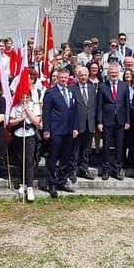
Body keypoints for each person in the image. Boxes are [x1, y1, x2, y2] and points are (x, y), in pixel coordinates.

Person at [43, 69, 79, 198]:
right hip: (56, 130)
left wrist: (75, 127)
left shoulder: (71, 91)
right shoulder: (50, 93)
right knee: (53, 157)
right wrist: (46, 129)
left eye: (66, 77)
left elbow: (74, 111)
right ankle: (52, 183)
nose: (63, 80)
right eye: (61, 77)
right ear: (57, 78)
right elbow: (46, 112)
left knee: (66, 158)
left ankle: (62, 181)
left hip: (69, 131)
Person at [97, 63, 129, 181]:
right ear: (108, 74)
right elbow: (99, 105)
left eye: (115, 73)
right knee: (106, 146)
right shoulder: (102, 86)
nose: (114, 75)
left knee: (120, 147)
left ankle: (117, 169)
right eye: (111, 73)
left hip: (120, 121)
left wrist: (128, 121)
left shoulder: (124, 85)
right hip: (107, 120)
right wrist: (99, 122)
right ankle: (106, 170)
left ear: (118, 73)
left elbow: (127, 104)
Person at [8, 91, 42, 201]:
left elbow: (37, 122)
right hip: (18, 134)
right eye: (23, 96)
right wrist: (20, 119)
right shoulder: (15, 107)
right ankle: (22, 183)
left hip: (30, 135)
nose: (25, 98)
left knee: (29, 160)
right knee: (20, 159)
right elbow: (10, 122)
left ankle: (30, 186)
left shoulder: (34, 106)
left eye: (27, 96)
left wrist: (27, 110)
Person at [72, 65, 99, 182]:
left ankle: (84, 169)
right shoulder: (72, 89)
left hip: (90, 124)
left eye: (85, 75)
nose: (83, 77)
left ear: (88, 76)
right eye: (81, 75)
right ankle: (73, 171)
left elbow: (95, 106)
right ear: (77, 77)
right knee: (75, 150)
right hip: (78, 125)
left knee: (86, 149)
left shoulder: (92, 87)